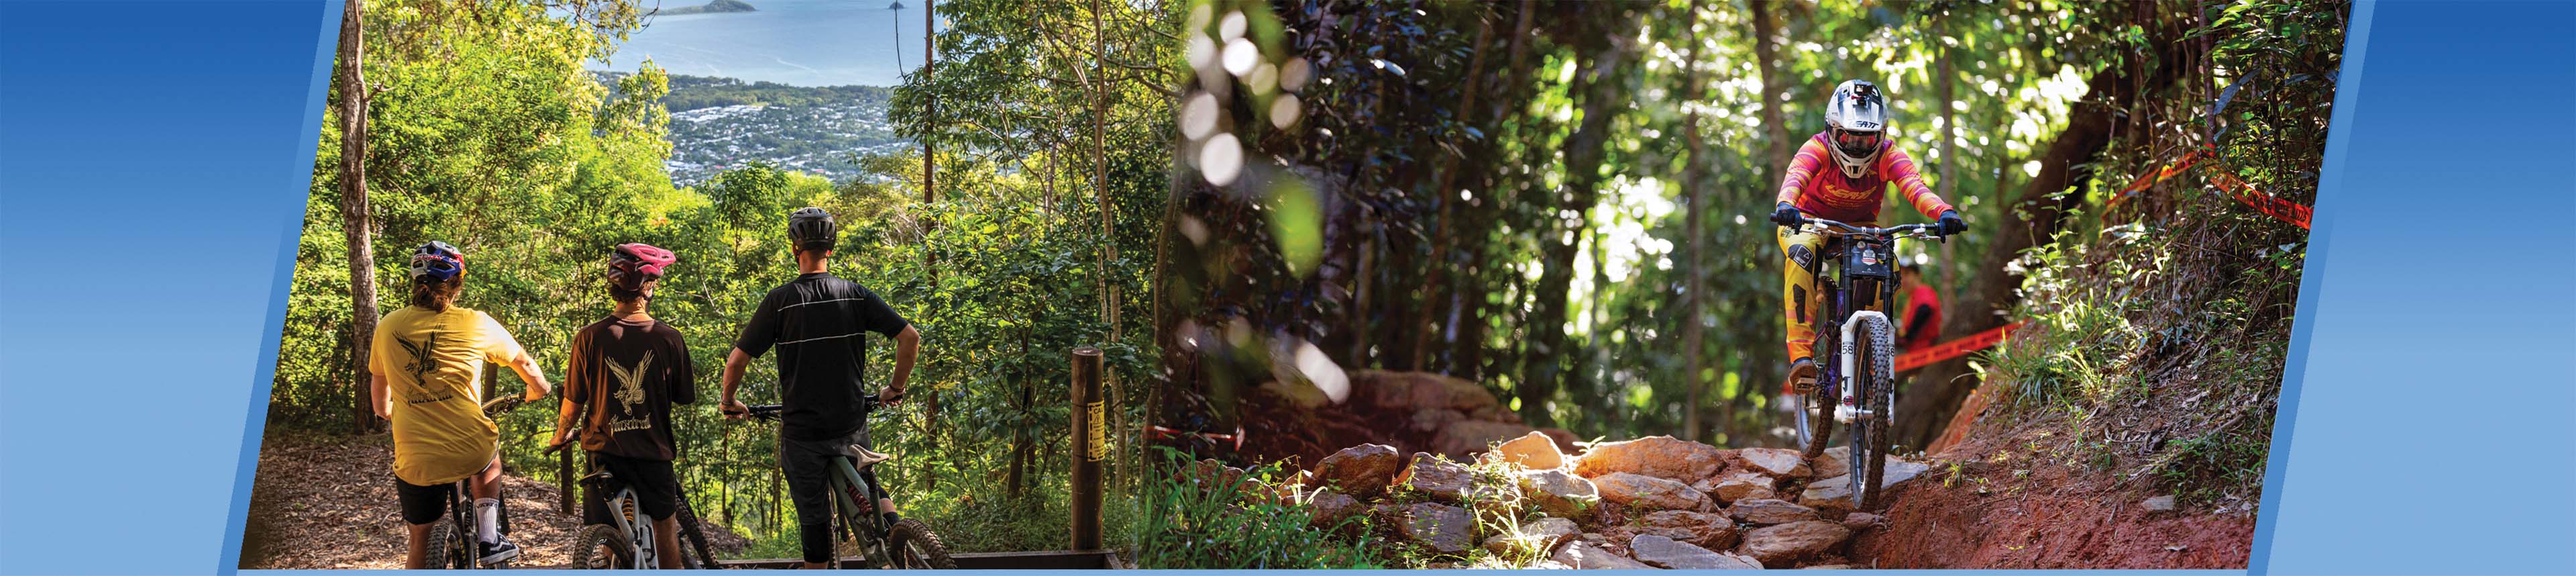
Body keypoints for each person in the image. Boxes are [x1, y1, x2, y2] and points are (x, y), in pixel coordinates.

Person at [718, 207, 921, 569]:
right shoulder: (855, 294)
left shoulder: (780, 301)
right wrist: (895, 387)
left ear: (795, 249)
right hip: (850, 422)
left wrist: (729, 401)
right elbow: (910, 338)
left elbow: (736, 362)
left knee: (814, 521)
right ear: (831, 249)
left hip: (804, 433)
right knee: (868, 481)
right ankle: (897, 535)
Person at [1768, 80, 1968, 397]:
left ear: (1882, 135)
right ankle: (1802, 356)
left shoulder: (1889, 155)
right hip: (1807, 220)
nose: (1858, 147)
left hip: (1861, 226)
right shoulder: (1817, 148)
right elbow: (1795, 177)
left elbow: (1915, 187)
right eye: (1849, 137)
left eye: (1868, 139)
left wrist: (1944, 212)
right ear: (1833, 130)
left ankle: (1872, 349)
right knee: (1802, 255)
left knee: (1887, 267)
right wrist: (1786, 206)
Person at [370, 240, 552, 568]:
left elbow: (380, 401)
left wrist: (391, 411)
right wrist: (540, 390)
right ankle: (488, 537)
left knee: (419, 542)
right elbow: (525, 365)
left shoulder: (388, 327)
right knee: (489, 459)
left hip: (416, 456)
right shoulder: (476, 322)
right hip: (468, 446)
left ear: (415, 283)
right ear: (457, 283)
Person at [551, 242, 693, 569]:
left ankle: (613, 557)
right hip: (653, 453)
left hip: (604, 453)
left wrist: (561, 435)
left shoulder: (589, 337)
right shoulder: (669, 338)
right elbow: (683, 396)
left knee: (609, 532)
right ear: (648, 286)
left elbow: (573, 402)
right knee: (664, 527)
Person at [1897, 262, 1942, 353]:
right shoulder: (1912, 297)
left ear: (1918, 276)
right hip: (1914, 352)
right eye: (1900, 276)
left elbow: (1925, 309)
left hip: (1925, 351)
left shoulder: (1923, 291)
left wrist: (1909, 337)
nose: (1903, 280)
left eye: (1907, 274)